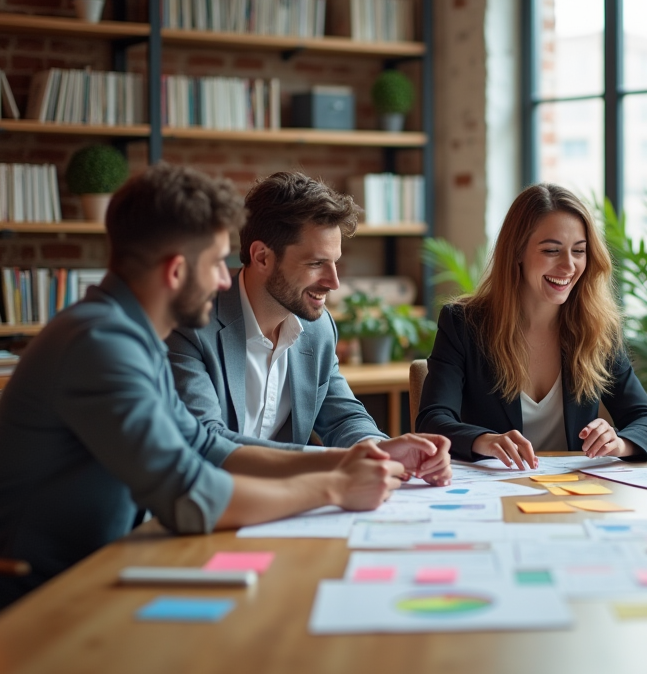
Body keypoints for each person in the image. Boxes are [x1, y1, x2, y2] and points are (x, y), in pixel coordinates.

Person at [0, 165, 406, 631]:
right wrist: (335, 488)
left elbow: (206, 447)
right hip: (26, 601)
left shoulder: (128, 334)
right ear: (176, 271)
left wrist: (348, 461)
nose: (222, 280)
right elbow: (189, 493)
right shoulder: (100, 343)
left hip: (96, 574)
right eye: (216, 262)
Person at [167, 172, 450, 485]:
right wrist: (342, 461)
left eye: (335, 263)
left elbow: (343, 418)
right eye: (316, 264)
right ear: (262, 257)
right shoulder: (192, 325)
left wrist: (384, 451)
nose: (334, 282)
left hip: (287, 507)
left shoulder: (318, 328)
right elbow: (207, 442)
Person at [416, 183, 647, 468]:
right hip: (494, 493)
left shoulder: (597, 328)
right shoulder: (463, 325)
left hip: (573, 495)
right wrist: (485, 440)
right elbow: (432, 421)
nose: (569, 266)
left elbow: (646, 419)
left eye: (579, 251)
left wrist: (618, 442)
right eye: (551, 250)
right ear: (517, 252)